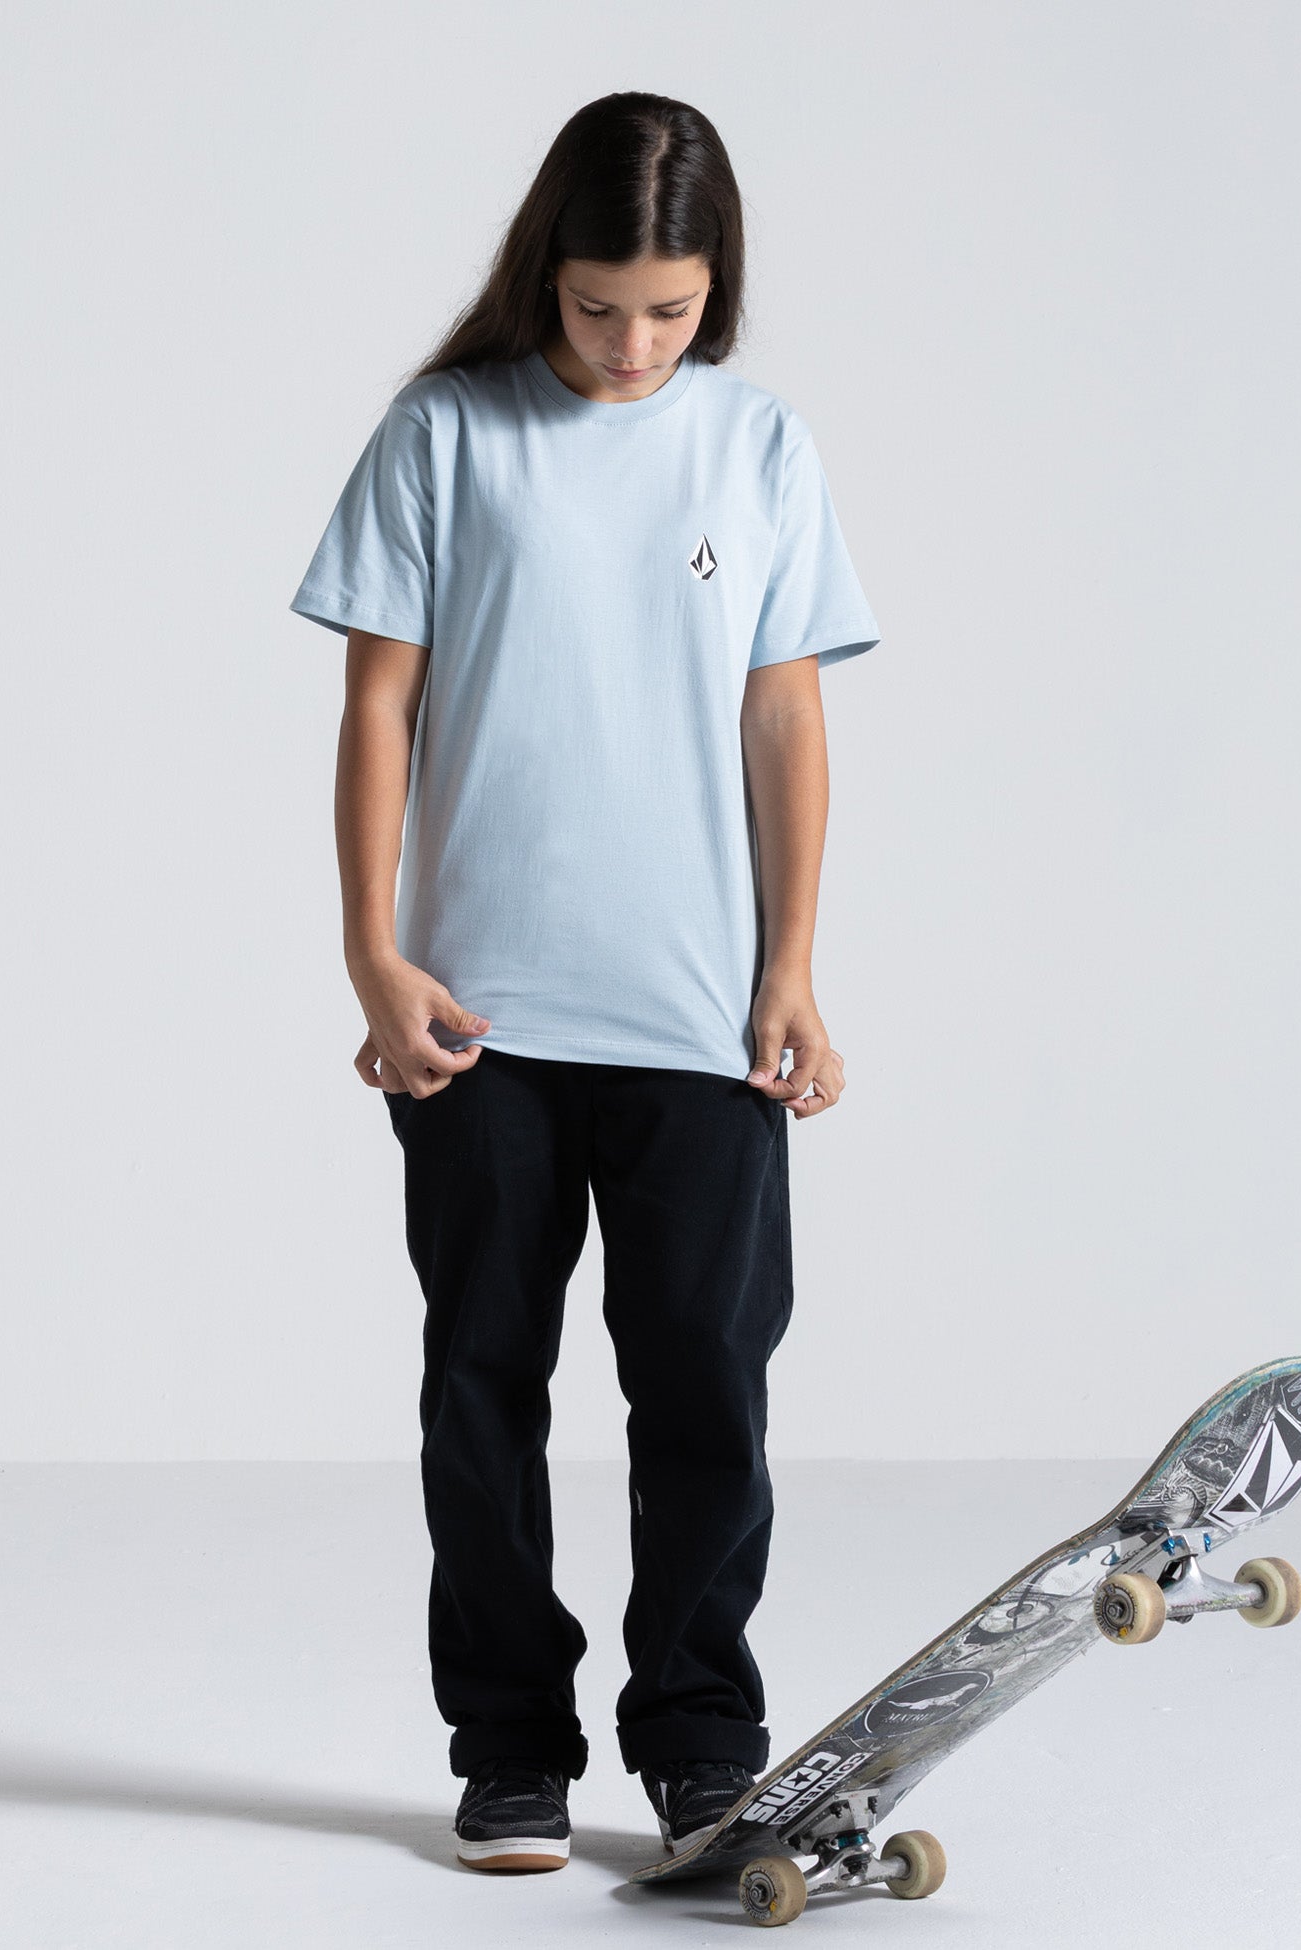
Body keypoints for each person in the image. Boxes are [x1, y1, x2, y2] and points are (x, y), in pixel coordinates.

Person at [288, 90, 880, 1875]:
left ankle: (702, 1740)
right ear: (544, 271)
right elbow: (377, 703)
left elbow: (786, 715)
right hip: (479, 1019)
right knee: (483, 1385)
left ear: (718, 288)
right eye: (599, 305)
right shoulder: (445, 433)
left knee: (707, 1385)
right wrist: (373, 953)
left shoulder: (757, 446)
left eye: (671, 310)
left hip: (701, 1015)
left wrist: (792, 965)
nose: (632, 346)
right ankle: (509, 1747)